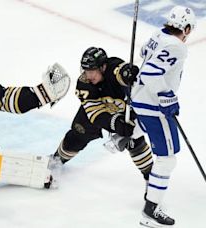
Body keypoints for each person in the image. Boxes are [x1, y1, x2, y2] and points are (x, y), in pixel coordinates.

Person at [131, 6, 196, 227]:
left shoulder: (158, 34)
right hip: (153, 106)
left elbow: (142, 55)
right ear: (186, 28)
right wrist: (166, 95)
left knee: (145, 129)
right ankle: (150, 210)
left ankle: (124, 136)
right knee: (167, 160)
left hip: (138, 99)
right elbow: (150, 73)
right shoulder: (177, 46)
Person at [50, 47, 154, 184]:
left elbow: (120, 70)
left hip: (124, 111)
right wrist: (115, 124)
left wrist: (129, 73)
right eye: (86, 71)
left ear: (103, 67)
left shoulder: (112, 68)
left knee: (134, 140)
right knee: (78, 133)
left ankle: (152, 180)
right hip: (100, 112)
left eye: (92, 71)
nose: (88, 76)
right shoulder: (84, 83)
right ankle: (56, 160)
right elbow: (95, 114)